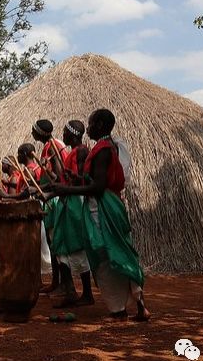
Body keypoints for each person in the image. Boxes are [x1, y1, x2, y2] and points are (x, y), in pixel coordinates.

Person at [48, 109, 150, 321]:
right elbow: (96, 181)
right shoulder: (104, 147)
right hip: (108, 206)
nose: (89, 128)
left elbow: (98, 187)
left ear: (102, 125)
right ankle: (139, 306)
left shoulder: (103, 149)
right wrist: (76, 178)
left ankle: (118, 310)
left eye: (92, 124)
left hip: (103, 209)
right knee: (120, 251)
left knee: (106, 255)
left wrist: (67, 190)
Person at [51, 120, 94, 308]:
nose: (63, 135)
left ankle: (87, 294)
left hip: (75, 202)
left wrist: (65, 186)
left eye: (65, 132)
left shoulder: (82, 151)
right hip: (67, 202)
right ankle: (69, 291)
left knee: (77, 247)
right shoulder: (72, 153)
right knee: (60, 247)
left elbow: (83, 181)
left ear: (73, 134)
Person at [32, 119, 68, 295]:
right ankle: (56, 281)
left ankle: (62, 284)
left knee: (57, 242)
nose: (32, 133)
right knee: (53, 243)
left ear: (41, 132)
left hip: (54, 199)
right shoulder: (49, 146)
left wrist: (43, 190)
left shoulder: (53, 146)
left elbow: (58, 177)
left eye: (34, 130)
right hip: (48, 197)